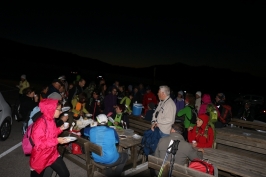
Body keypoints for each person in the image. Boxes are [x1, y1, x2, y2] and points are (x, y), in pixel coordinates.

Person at [29, 99, 70, 177]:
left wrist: (60, 129)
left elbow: (52, 134)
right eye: (59, 110)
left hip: (52, 154)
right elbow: (39, 143)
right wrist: (57, 140)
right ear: (51, 109)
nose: (61, 112)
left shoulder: (51, 119)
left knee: (65, 174)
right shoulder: (40, 123)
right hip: (40, 157)